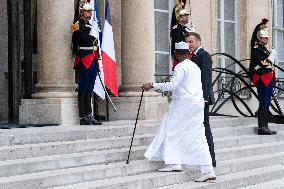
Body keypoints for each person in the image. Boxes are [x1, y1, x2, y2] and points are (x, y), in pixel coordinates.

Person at [143, 42, 216, 182]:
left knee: (171, 130)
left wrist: (152, 85)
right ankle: (206, 169)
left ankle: (174, 162)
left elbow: (172, 85)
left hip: (183, 105)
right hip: (197, 105)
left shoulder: (180, 67)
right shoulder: (194, 66)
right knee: (198, 136)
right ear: (187, 53)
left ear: (177, 54)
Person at [185, 32, 216, 167]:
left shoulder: (204, 55)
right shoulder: (192, 57)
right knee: (198, 127)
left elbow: (206, 79)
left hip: (202, 98)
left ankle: (211, 158)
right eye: (187, 42)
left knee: (205, 127)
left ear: (198, 41)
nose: (189, 44)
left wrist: (204, 99)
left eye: (191, 41)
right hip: (195, 97)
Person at [249, 19, 284, 135]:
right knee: (264, 102)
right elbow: (263, 64)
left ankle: (264, 126)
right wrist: (272, 56)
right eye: (264, 37)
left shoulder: (264, 49)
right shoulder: (256, 50)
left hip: (268, 78)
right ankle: (262, 127)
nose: (266, 39)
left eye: (267, 38)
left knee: (266, 102)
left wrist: (270, 54)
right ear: (259, 38)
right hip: (262, 79)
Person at [71, 1, 102, 125]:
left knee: (90, 87)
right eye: (88, 11)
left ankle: (89, 114)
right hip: (84, 59)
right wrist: (92, 37)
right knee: (83, 87)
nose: (90, 13)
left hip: (92, 58)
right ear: (82, 12)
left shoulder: (90, 25)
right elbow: (82, 40)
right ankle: (83, 116)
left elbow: (94, 43)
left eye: (90, 11)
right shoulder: (78, 25)